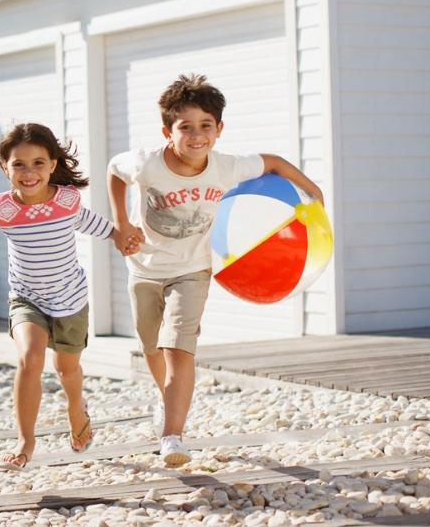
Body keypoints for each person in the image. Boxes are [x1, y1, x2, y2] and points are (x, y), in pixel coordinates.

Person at [107, 73, 323, 466]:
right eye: (185, 127)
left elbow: (273, 162)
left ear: (219, 129)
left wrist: (313, 191)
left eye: (206, 126)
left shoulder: (226, 167)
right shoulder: (146, 163)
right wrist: (121, 224)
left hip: (193, 270)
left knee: (178, 347)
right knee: (151, 346)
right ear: (167, 130)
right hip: (144, 268)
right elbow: (113, 171)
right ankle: (165, 398)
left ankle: (173, 437)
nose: (196, 135)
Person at [0, 123, 126, 471]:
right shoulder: (4, 209)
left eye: (38, 163)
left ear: (52, 164)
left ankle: (76, 408)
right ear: (4, 167)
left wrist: (119, 236)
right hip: (27, 298)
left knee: (67, 371)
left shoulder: (66, 201)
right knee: (30, 358)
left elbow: (91, 223)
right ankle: (25, 442)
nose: (28, 172)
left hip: (70, 299)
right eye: (18, 164)